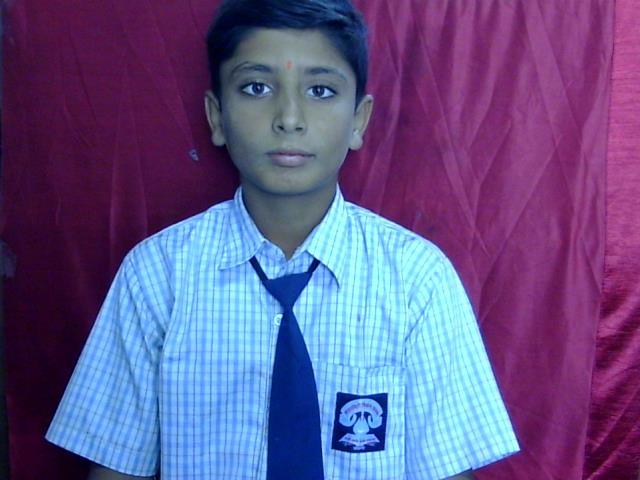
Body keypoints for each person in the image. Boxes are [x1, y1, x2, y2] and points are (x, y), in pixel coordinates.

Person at [46, 1, 519, 478]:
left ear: (359, 120)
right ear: (216, 116)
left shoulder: (417, 280)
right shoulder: (158, 277)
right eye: (257, 87)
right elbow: (115, 470)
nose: (289, 118)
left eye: (320, 90)